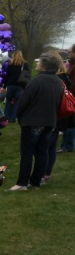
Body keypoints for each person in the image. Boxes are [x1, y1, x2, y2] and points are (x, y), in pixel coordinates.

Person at [7, 52, 64, 191]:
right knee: (42, 152)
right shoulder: (58, 81)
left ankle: (22, 183)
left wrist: (19, 115)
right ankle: (35, 182)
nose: (36, 64)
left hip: (33, 121)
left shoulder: (37, 80)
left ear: (44, 66)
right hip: (50, 121)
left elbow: (24, 101)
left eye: (39, 62)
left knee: (27, 152)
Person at [42, 52, 74, 183]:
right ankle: (46, 174)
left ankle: (42, 174)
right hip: (61, 116)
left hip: (53, 115)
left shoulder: (58, 79)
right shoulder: (65, 77)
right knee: (51, 147)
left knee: (45, 146)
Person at [2, 50, 30, 122]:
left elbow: (7, 76)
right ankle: (13, 118)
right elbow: (27, 76)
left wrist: (4, 86)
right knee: (16, 102)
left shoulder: (11, 64)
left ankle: (6, 117)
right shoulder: (25, 64)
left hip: (11, 85)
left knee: (8, 101)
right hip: (20, 85)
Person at [58, 44, 75, 153]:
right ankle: (65, 145)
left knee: (71, 123)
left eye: (70, 52)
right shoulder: (72, 65)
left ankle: (67, 146)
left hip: (72, 97)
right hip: (70, 96)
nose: (68, 54)